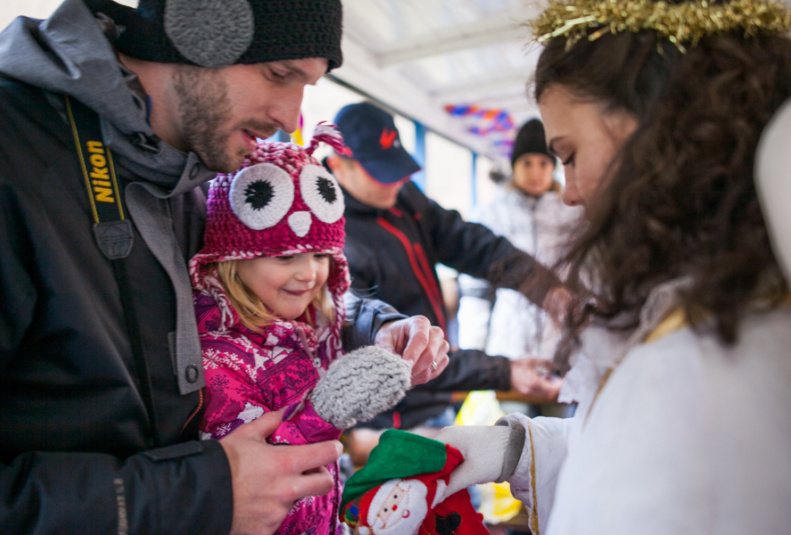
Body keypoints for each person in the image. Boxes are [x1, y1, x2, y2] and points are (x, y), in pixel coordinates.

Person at [0, 1, 449, 533]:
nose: (289, 115)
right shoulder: (16, 151)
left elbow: (274, 296)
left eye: (307, 85)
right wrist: (194, 494)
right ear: (198, 30)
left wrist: (379, 324)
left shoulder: (198, 175)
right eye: (279, 73)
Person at [420, 0, 791, 533]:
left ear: (662, 131)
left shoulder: (706, 365)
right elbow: (624, 450)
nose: (569, 193)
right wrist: (507, 449)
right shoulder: (707, 306)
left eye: (569, 155)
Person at [192, 129, 416, 535]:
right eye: (284, 255)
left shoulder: (303, 330)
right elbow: (258, 495)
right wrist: (325, 414)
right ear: (231, 260)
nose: (309, 273)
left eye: (320, 254)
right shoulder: (217, 360)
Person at [326, 101, 570, 435]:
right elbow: (402, 350)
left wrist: (546, 289)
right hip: (393, 420)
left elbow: (472, 244)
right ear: (338, 164)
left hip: (436, 398)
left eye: (397, 169)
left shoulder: (402, 198)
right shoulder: (334, 241)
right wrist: (504, 371)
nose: (396, 183)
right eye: (382, 173)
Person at [458, 118, 582, 417]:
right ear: (514, 165)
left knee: (560, 441)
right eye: (527, 163)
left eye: (543, 162)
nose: (536, 171)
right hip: (509, 353)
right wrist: (474, 351)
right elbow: (476, 291)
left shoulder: (576, 215)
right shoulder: (490, 214)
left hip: (562, 354)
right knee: (516, 440)